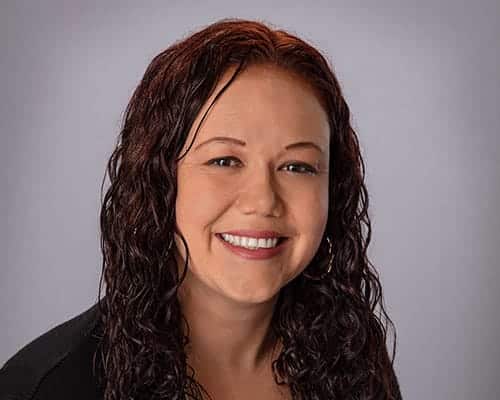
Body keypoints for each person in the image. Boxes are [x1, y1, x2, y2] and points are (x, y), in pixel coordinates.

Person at [0, 17, 403, 400]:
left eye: (297, 166)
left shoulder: (351, 357)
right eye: (225, 161)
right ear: (160, 178)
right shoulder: (49, 387)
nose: (263, 200)